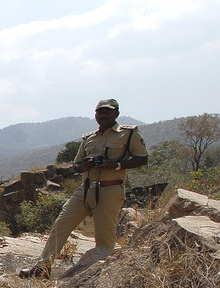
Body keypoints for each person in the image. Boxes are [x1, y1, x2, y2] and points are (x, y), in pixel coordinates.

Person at [21, 98, 148, 278]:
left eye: (107, 112)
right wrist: (85, 166)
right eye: (100, 112)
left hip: (110, 189)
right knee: (61, 224)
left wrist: (116, 165)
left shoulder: (128, 134)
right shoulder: (89, 138)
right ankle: (43, 268)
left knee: (105, 238)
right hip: (86, 188)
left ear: (116, 114)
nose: (103, 115)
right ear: (95, 115)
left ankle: (101, 276)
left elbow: (142, 158)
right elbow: (76, 165)